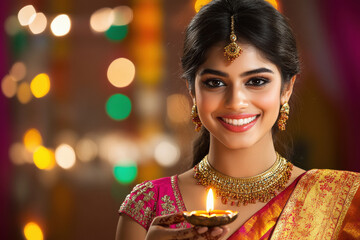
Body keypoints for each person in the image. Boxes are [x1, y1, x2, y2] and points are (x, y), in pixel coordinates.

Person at [115, 0, 360, 239]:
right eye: (215, 83)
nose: (235, 101)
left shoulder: (345, 203)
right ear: (192, 92)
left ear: (287, 88)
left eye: (256, 81)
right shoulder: (148, 207)